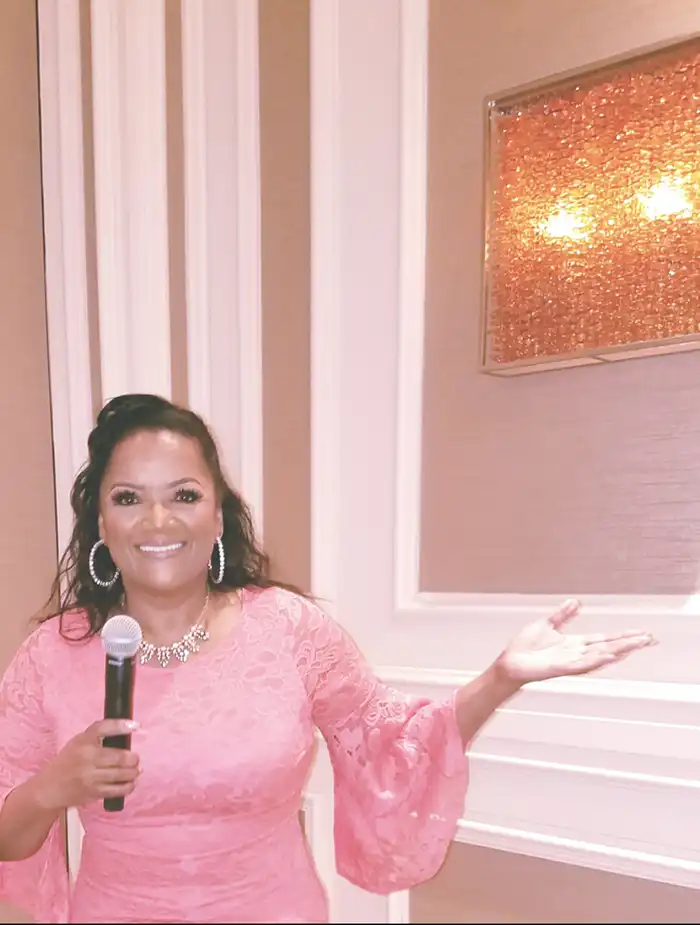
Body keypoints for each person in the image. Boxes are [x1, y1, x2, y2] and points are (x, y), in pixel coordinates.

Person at [0, 393, 655, 924]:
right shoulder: (51, 655)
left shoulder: (288, 628)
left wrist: (501, 677)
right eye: (128, 498)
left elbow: (396, 743)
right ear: (102, 524)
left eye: (184, 495)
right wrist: (52, 786)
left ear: (218, 516)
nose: (157, 520)